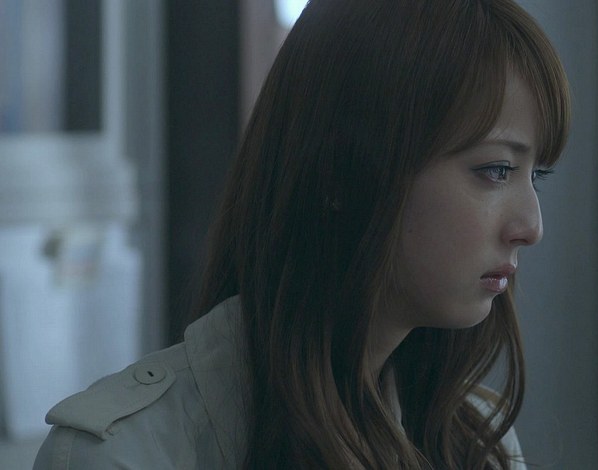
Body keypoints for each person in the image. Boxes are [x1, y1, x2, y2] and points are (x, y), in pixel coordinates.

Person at [34, 0, 569, 467]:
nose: (531, 228)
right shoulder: (127, 455)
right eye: (496, 170)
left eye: (536, 176)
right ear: (343, 173)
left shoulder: (474, 440)